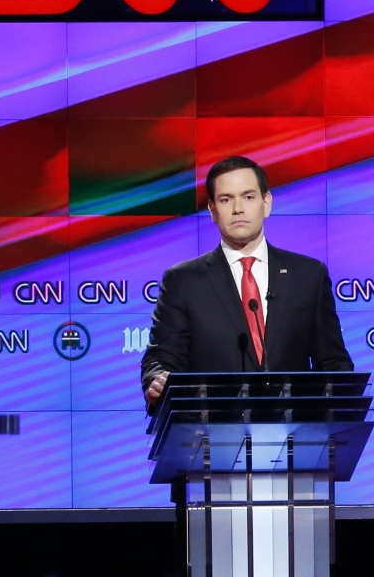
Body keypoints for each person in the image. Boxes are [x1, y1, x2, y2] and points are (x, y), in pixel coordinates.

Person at [141, 155, 354, 406]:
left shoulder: (308, 275)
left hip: (293, 433)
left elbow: (333, 362)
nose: (238, 208)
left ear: (266, 203)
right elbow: (161, 360)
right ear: (212, 210)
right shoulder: (183, 280)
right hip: (212, 432)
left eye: (248, 197)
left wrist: (338, 407)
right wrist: (157, 382)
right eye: (226, 199)